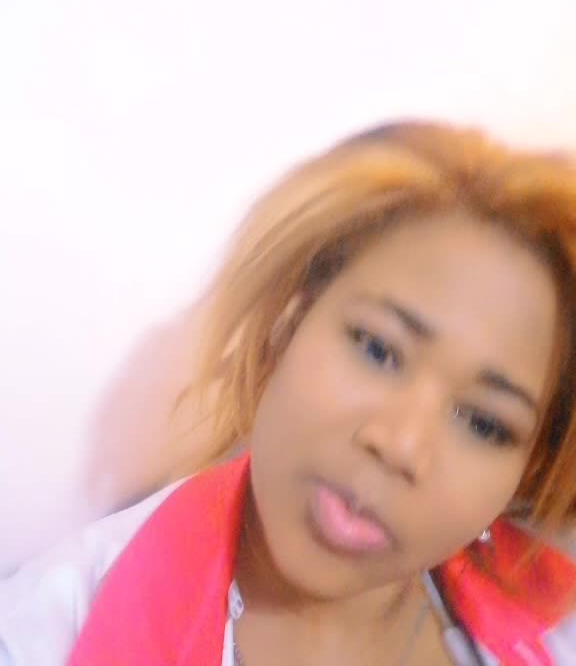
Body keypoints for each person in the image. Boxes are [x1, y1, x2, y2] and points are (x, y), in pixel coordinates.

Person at [2, 120, 576, 666]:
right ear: (289, 324)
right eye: (378, 349)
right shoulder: (46, 634)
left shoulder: (557, 622)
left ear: (526, 470)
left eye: (484, 423)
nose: (401, 444)